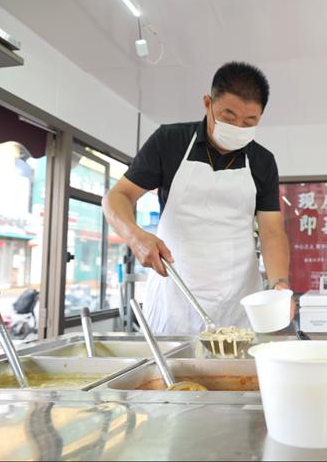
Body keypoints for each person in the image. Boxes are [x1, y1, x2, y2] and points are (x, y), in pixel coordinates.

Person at [103, 62, 292, 335]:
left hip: (236, 301)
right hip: (175, 296)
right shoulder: (170, 141)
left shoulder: (262, 161)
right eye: (228, 116)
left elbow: (272, 231)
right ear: (208, 103)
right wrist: (134, 236)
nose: (238, 127)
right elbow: (117, 196)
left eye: (250, 122)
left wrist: (279, 283)